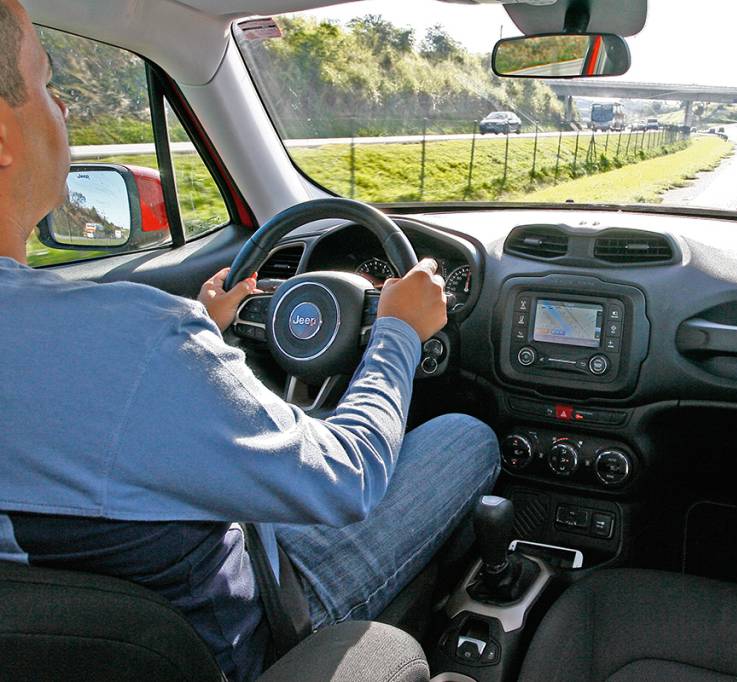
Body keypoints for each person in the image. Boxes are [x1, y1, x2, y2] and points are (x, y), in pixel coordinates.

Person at [0, 2, 499, 680]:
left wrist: (198, 339)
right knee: (467, 435)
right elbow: (349, 478)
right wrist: (398, 332)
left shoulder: (131, 348)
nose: (63, 105)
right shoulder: (138, 339)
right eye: (48, 80)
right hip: (240, 634)